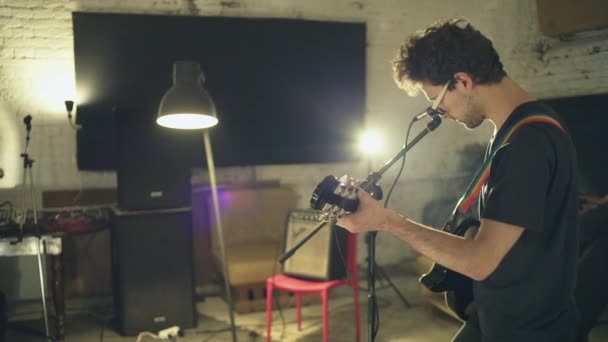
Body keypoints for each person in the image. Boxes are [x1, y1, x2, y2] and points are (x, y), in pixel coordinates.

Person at [336, 18, 581, 341]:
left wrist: (387, 221)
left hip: (529, 331)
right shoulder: (514, 131)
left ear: (463, 81)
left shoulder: (526, 145)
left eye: (436, 100)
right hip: (499, 319)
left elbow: (481, 260)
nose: (440, 113)